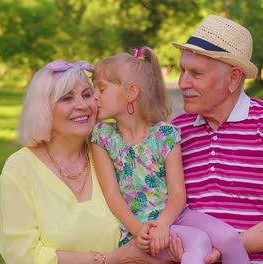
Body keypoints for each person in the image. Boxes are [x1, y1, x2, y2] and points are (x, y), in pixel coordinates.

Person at [171, 15, 263, 263]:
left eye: (196, 73)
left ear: (234, 79)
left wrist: (225, 249)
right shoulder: (176, 131)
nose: (183, 82)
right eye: (183, 70)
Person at [90, 46, 250, 264]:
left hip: (175, 217)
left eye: (101, 90)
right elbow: (112, 195)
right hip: (139, 225)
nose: (94, 98)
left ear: (131, 93)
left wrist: (164, 223)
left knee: (230, 238)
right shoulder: (103, 137)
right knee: (198, 241)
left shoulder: (165, 135)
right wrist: (140, 231)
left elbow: (177, 194)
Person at [0, 60, 167, 264]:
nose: (82, 105)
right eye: (67, 98)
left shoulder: (112, 152)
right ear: (43, 108)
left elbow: (156, 205)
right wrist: (110, 259)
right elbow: (22, 256)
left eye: (87, 95)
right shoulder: (20, 168)